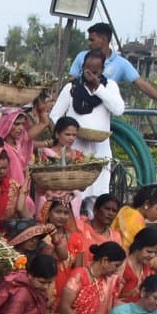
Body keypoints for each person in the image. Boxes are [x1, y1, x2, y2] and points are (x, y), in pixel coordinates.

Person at [47, 50, 122, 201]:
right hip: (74, 150)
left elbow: (118, 110)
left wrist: (98, 88)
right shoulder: (71, 88)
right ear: (82, 67)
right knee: (74, 195)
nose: (90, 74)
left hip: (100, 151)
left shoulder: (110, 87)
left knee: (98, 196)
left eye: (95, 71)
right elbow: (54, 117)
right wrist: (65, 136)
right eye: (87, 70)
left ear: (101, 70)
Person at [69, 22, 157, 115]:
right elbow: (70, 82)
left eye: (92, 40)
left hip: (103, 114)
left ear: (104, 39)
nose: (89, 43)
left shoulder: (121, 63)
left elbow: (142, 84)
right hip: (78, 111)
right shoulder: (81, 57)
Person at [59, 242, 126, 314]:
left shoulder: (110, 281)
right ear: (104, 261)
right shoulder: (80, 275)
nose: (116, 270)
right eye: (115, 265)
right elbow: (64, 308)